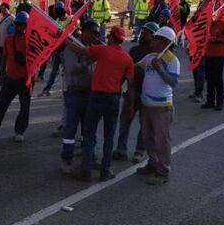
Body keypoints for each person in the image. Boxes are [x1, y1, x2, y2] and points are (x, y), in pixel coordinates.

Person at [65, 25, 134, 182]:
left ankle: (86, 170)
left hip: (96, 98)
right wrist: (129, 104)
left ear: (111, 37)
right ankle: (105, 170)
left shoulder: (102, 50)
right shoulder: (127, 59)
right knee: (109, 137)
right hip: (114, 100)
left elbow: (79, 50)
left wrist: (64, 40)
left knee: (89, 134)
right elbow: (131, 84)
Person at [134, 26, 180, 185]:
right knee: (147, 138)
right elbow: (136, 67)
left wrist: (160, 69)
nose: (153, 41)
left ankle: (163, 170)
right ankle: (152, 163)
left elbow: (173, 82)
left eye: (156, 39)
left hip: (162, 107)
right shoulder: (150, 57)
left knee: (161, 140)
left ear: (164, 42)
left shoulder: (172, 60)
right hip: (146, 105)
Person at [114, 21, 158, 163]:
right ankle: (121, 149)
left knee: (145, 125)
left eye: (146, 34)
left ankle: (140, 151)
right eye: (142, 33)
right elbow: (126, 70)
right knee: (125, 121)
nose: (142, 35)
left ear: (153, 36)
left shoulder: (157, 54)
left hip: (147, 94)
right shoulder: (134, 50)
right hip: (132, 91)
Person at [0, 10, 32, 142]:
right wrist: (1, 73)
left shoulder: (30, 41)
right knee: (0, 106)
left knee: (25, 108)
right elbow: (4, 56)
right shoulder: (9, 40)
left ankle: (19, 131)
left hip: (25, 81)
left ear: (27, 25)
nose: (18, 26)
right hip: (10, 79)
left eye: (22, 24)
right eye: (17, 24)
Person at [59, 19, 97, 172]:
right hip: (74, 91)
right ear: (85, 31)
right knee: (71, 128)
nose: (95, 36)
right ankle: (66, 160)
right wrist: (87, 62)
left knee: (89, 128)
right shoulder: (72, 48)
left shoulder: (92, 47)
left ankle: (90, 157)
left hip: (90, 91)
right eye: (93, 33)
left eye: (97, 33)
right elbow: (72, 69)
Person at [202, 17, 224, 111]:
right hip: (207, 54)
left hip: (219, 55)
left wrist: (217, 39)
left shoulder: (222, 24)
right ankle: (210, 100)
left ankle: (220, 101)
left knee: (217, 78)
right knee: (209, 78)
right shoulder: (204, 24)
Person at [0, 2, 15, 83]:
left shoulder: (12, 18)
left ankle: (4, 77)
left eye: (4, 8)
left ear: (8, 9)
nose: (2, 10)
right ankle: (3, 76)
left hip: (7, 44)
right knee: (1, 61)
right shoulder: (0, 18)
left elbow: (15, 30)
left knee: (5, 61)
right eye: (1, 8)